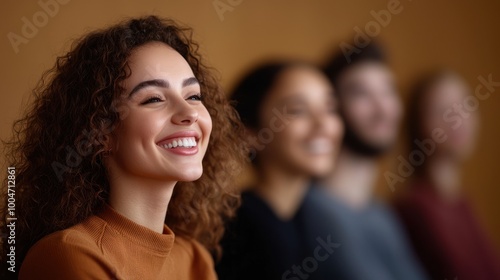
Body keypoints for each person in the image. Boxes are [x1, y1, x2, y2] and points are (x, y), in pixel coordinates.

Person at [0, 15, 246, 279]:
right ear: (99, 132)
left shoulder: (195, 260)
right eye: (153, 99)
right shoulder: (68, 255)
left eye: (194, 96)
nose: (189, 112)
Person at [216, 61, 344, 280]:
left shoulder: (317, 219)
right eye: (298, 111)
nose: (323, 123)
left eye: (330, 108)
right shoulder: (233, 229)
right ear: (250, 133)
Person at [316, 41, 428, 280]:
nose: (382, 109)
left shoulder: (384, 217)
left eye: (388, 91)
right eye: (362, 94)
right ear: (333, 108)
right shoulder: (312, 211)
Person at [394, 70, 500, 279]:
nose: (458, 119)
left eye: (466, 106)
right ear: (419, 124)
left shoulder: (461, 204)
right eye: (443, 110)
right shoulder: (413, 209)